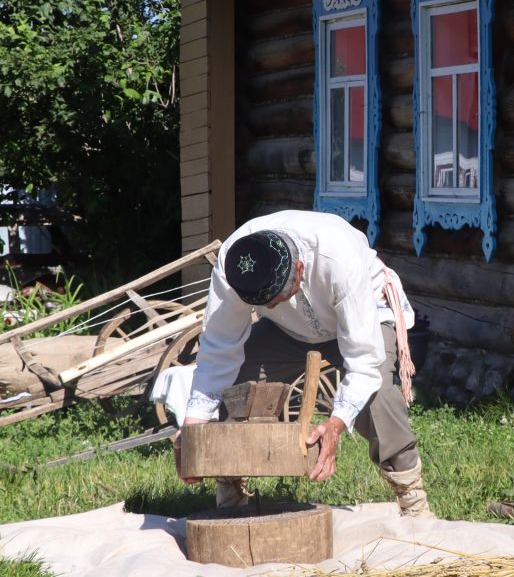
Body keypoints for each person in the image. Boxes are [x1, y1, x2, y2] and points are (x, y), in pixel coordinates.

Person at [179, 210, 429, 517]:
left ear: (299, 268)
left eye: (276, 299)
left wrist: (336, 424)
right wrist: (193, 428)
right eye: (262, 303)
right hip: (289, 329)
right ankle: (231, 496)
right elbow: (219, 350)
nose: (269, 306)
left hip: (365, 315)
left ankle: (411, 498)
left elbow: (364, 361)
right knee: (235, 388)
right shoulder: (235, 267)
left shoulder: (338, 260)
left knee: (378, 399)